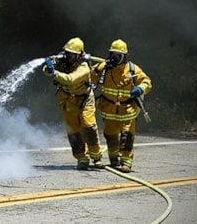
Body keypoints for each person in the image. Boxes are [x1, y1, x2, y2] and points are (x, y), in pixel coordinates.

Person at [43, 37, 104, 170]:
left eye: (72, 54)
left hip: (84, 100)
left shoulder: (84, 68)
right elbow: (46, 71)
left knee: (88, 126)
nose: (69, 56)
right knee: (73, 131)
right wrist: (50, 65)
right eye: (68, 53)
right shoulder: (63, 62)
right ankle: (82, 158)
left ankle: (96, 157)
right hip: (67, 100)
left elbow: (70, 79)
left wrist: (54, 72)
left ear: (79, 54)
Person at [91, 39, 152, 173]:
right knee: (110, 135)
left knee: (127, 136)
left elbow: (146, 81)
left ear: (124, 56)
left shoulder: (132, 69)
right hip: (109, 109)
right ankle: (114, 158)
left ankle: (126, 162)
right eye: (112, 54)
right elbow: (89, 76)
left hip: (127, 110)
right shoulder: (104, 68)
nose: (114, 58)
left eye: (117, 55)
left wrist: (141, 88)